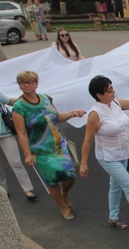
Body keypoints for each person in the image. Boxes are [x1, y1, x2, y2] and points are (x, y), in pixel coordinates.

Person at [80, 75, 129, 229]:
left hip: (124, 153)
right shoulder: (95, 114)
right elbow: (87, 139)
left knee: (115, 186)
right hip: (108, 157)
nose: (113, 91)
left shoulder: (116, 103)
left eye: (112, 87)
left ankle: (113, 218)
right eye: (109, 90)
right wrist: (83, 164)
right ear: (99, 95)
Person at [12, 71, 86, 220]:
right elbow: (21, 133)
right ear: (19, 86)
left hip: (58, 145)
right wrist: (27, 154)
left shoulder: (46, 98)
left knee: (70, 175)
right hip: (40, 150)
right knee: (51, 180)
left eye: (29, 82)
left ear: (36, 83)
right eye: (22, 82)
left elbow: (56, 117)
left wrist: (73, 113)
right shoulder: (19, 107)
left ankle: (64, 194)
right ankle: (63, 207)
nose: (26, 85)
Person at [0, 91, 36, 200]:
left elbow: (9, 101)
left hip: (5, 133)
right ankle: (3, 191)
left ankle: (27, 190)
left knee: (16, 162)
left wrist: (26, 99)